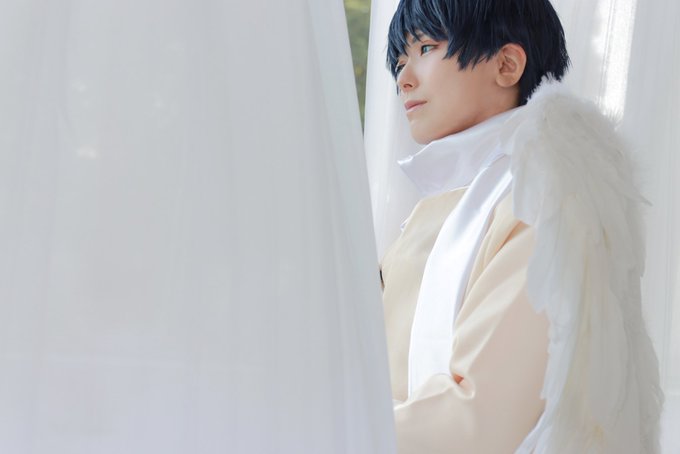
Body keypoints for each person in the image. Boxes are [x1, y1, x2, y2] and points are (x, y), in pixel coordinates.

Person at [379, 0, 663, 452]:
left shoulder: (544, 197)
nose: (404, 78)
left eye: (426, 48)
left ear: (507, 64)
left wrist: (328, 420)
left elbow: (480, 420)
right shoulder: (436, 209)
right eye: (399, 62)